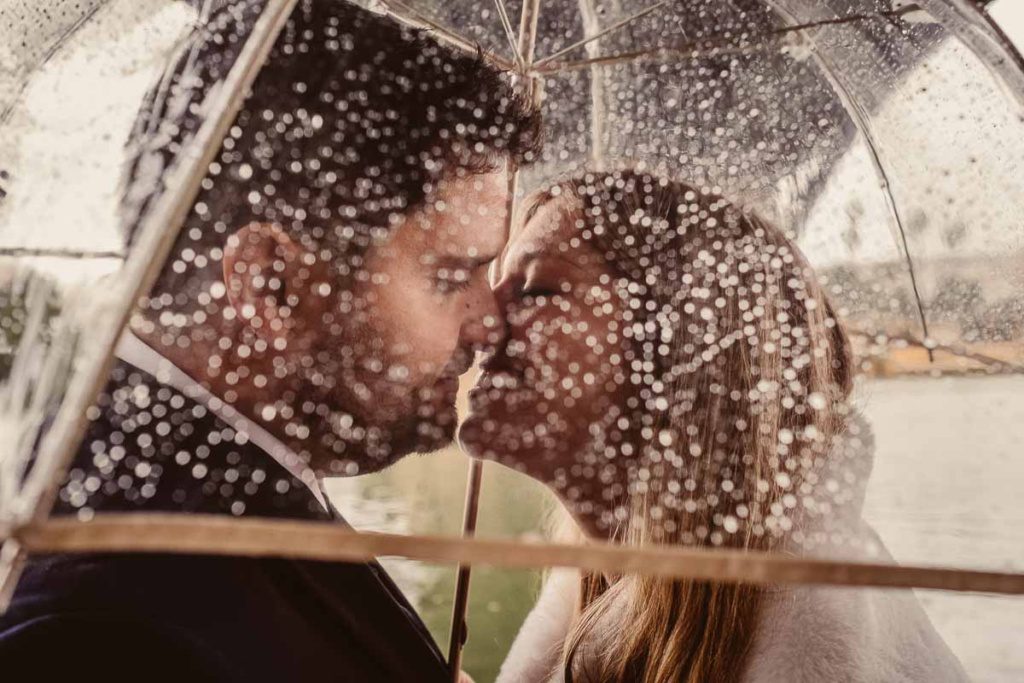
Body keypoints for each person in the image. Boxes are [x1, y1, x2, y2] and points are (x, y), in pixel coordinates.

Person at [0, 1, 539, 681]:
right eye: (450, 274)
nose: (489, 322)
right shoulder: (98, 627)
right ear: (270, 283)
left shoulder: (213, 485)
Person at [459, 169, 967, 682]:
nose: (479, 317)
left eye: (535, 290)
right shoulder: (601, 592)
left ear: (679, 352)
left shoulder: (820, 650)